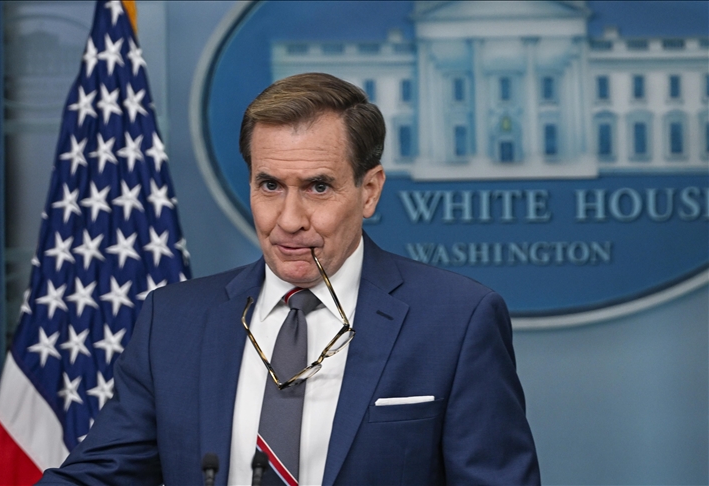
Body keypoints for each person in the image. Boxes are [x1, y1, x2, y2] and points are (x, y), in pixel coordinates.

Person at [39, 73, 540, 485]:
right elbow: (102, 476)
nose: (289, 219)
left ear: (369, 191)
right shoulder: (172, 320)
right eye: (270, 185)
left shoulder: (456, 321)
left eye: (318, 187)